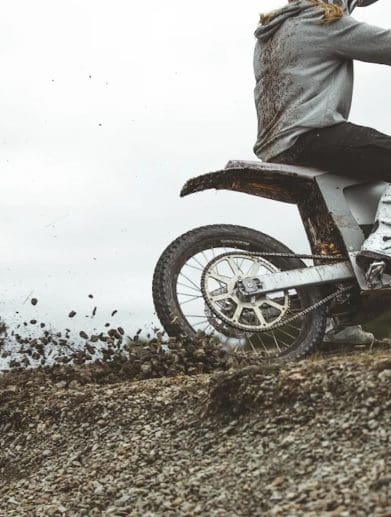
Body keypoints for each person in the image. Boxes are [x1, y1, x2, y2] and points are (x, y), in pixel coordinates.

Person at [254, 0, 385, 344]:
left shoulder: (275, 30)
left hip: (280, 144)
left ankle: (339, 325)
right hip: (312, 134)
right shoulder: (322, 22)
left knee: (339, 230)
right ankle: (386, 244)